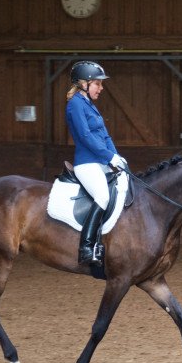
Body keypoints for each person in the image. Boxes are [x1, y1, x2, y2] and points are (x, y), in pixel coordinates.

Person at [65, 61, 127, 266]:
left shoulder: (90, 105)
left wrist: (117, 158)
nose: (101, 88)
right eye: (97, 84)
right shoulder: (75, 104)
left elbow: (105, 136)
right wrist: (108, 157)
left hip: (101, 160)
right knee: (102, 195)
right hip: (87, 163)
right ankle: (86, 247)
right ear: (83, 83)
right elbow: (84, 136)